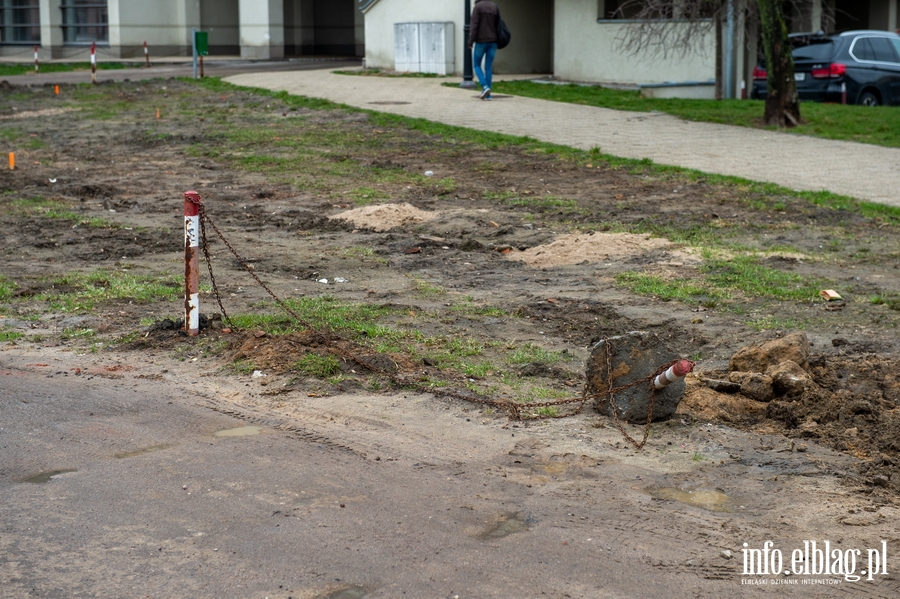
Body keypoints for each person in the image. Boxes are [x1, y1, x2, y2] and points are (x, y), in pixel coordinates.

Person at [468, 0, 500, 100]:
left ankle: (485, 86)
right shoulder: (494, 6)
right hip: (493, 41)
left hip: (481, 41)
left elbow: (474, 26)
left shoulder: (478, 7)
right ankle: (488, 95)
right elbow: (498, 24)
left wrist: (470, 41)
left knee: (476, 65)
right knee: (488, 67)